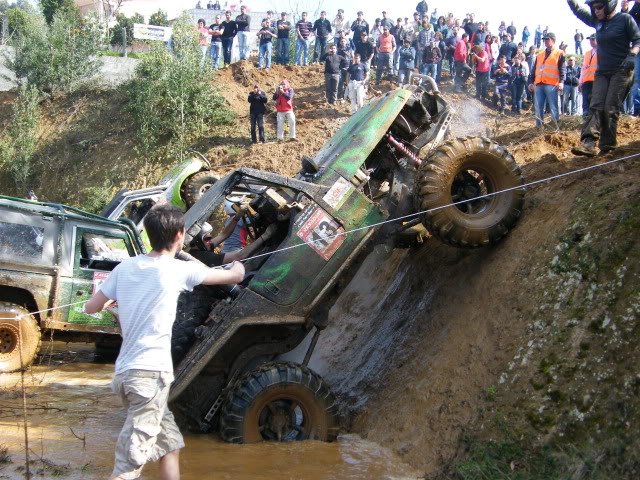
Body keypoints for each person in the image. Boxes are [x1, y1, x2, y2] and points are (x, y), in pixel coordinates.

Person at [84, 205, 245, 480]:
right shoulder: (178, 270)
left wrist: (119, 296)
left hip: (126, 375)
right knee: (130, 462)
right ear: (180, 234)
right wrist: (238, 265)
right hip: (150, 376)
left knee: (169, 445)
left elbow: (90, 307)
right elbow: (234, 277)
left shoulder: (125, 268)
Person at [568, 0, 640, 155]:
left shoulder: (624, 19)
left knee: (610, 108)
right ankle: (588, 143)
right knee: (596, 105)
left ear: (610, 5)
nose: (596, 11)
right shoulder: (597, 21)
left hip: (621, 70)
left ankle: (607, 146)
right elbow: (578, 11)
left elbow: (637, 40)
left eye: (599, 8)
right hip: (602, 72)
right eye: (594, 9)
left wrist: (632, 55)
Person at [528, 32, 566, 128]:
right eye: (544, 40)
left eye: (547, 39)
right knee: (538, 107)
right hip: (539, 84)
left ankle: (555, 126)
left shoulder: (559, 53)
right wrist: (531, 82)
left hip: (551, 84)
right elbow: (534, 69)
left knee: (553, 106)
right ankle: (539, 127)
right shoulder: (540, 55)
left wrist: (561, 82)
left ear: (553, 41)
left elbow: (562, 69)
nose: (545, 41)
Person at [622, 0, 640, 115]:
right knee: (637, 79)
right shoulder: (636, 7)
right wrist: (625, 9)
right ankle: (638, 109)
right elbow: (628, 20)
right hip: (637, 48)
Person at [579, 34, 598, 117]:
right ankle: (585, 114)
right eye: (590, 40)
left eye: (593, 40)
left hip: (597, 80)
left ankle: (594, 115)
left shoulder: (603, 51)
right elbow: (583, 68)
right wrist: (580, 81)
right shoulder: (587, 53)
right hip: (586, 80)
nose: (591, 41)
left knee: (595, 99)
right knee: (585, 99)